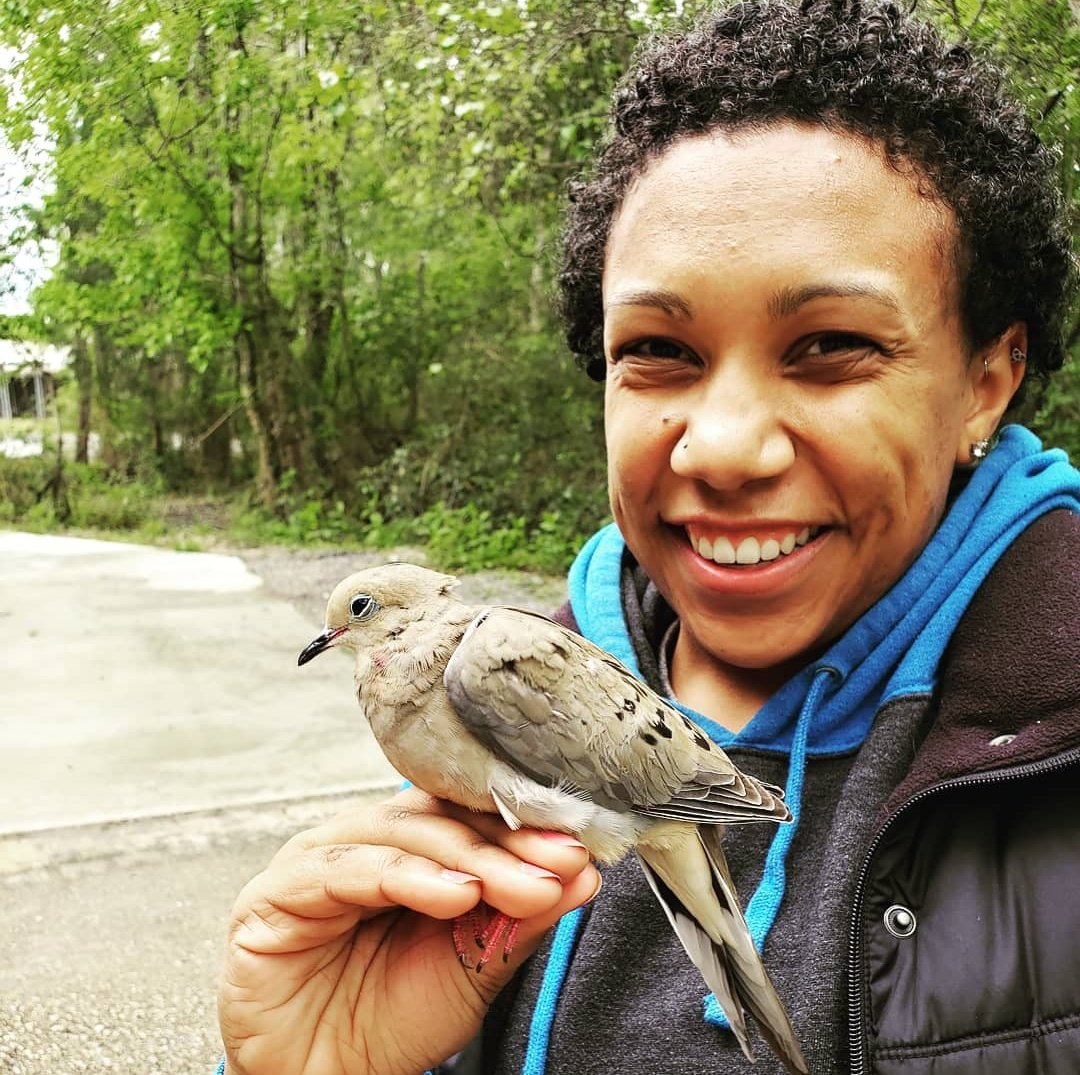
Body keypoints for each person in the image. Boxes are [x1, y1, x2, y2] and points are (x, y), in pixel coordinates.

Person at [216, 1, 1080, 1072]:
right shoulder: (497, 692)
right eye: (661, 350)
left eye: (831, 344)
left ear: (987, 382)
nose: (721, 449)